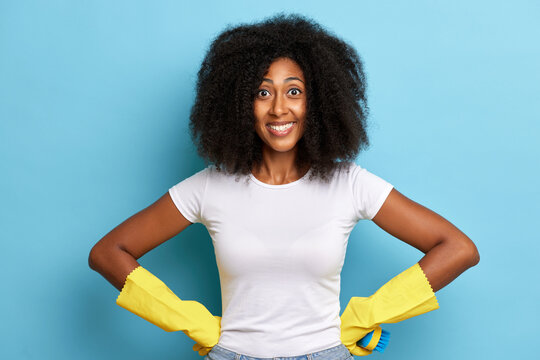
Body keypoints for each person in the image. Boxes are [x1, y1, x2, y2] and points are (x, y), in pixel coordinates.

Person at [88, 13, 479, 360]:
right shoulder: (209, 187)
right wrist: (190, 321)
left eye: (294, 91)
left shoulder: (350, 184)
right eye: (262, 92)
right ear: (241, 104)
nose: (278, 108)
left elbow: (458, 249)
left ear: (319, 102)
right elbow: (108, 253)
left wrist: (366, 316)